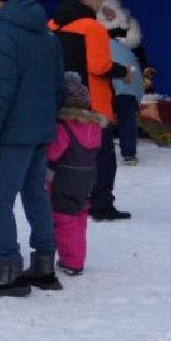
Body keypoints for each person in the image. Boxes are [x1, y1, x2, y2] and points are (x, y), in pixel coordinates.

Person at [0, 0, 64, 297]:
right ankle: (44, 263)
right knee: (35, 192)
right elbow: (57, 84)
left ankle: (8, 267)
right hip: (39, 128)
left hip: (11, 132)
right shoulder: (44, 32)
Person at [49, 0, 128, 221]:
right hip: (93, 102)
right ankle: (101, 204)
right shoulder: (92, 28)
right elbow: (99, 65)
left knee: (67, 155)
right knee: (102, 157)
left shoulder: (52, 25)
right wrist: (124, 71)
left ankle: (68, 199)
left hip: (60, 100)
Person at [48, 73, 106, 276]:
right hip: (88, 177)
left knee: (64, 219)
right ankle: (78, 254)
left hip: (65, 178)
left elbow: (53, 154)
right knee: (80, 214)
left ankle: (72, 262)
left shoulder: (63, 128)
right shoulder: (94, 127)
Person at [97, 0, 145, 166]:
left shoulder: (129, 22)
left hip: (126, 75)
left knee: (126, 113)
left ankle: (129, 152)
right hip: (105, 76)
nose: (107, 13)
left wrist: (117, 42)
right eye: (104, 11)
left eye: (109, 9)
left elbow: (135, 40)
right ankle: (104, 150)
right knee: (104, 115)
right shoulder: (95, 27)